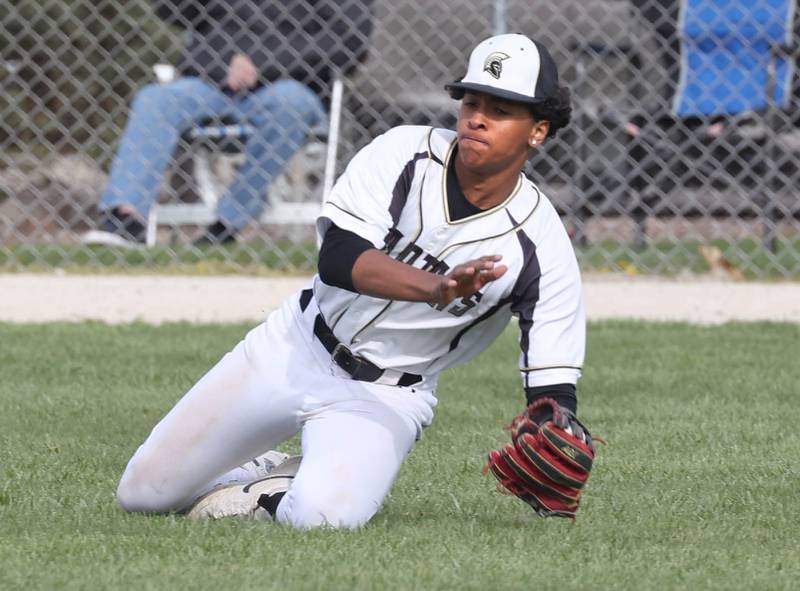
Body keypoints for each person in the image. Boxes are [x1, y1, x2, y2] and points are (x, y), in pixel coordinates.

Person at [116, 33, 590, 528]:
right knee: (143, 494)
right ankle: (264, 465)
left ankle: (271, 491)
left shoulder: (541, 245)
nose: (478, 117)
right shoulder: (405, 154)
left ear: (538, 131)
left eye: (502, 109)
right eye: (472, 101)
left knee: (325, 517)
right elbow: (339, 258)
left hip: (386, 395)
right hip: (295, 347)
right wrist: (435, 288)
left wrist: (551, 418)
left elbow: (552, 377)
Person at [83, 0, 373, 247]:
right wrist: (227, 63)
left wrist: (262, 62)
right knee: (156, 100)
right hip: (216, 80)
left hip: (290, 83)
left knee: (289, 104)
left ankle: (228, 222)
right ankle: (124, 216)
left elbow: (350, 42)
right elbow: (174, 11)